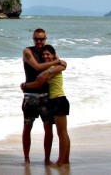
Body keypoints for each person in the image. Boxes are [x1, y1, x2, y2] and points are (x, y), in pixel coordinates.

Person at [21, 28, 66, 165]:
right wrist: (57, 61)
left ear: (45, 39)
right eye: (36, 39)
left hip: (47, 95)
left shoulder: (48, 52)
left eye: (42, 39)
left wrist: (62, 64)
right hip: (30, 96)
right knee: (27, 127)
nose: (39, 41)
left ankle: (47, 159)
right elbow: (38, 67)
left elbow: (62, 66)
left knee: (48, 128)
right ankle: (27, 158)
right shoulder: (27, 51)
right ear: (33, 39)